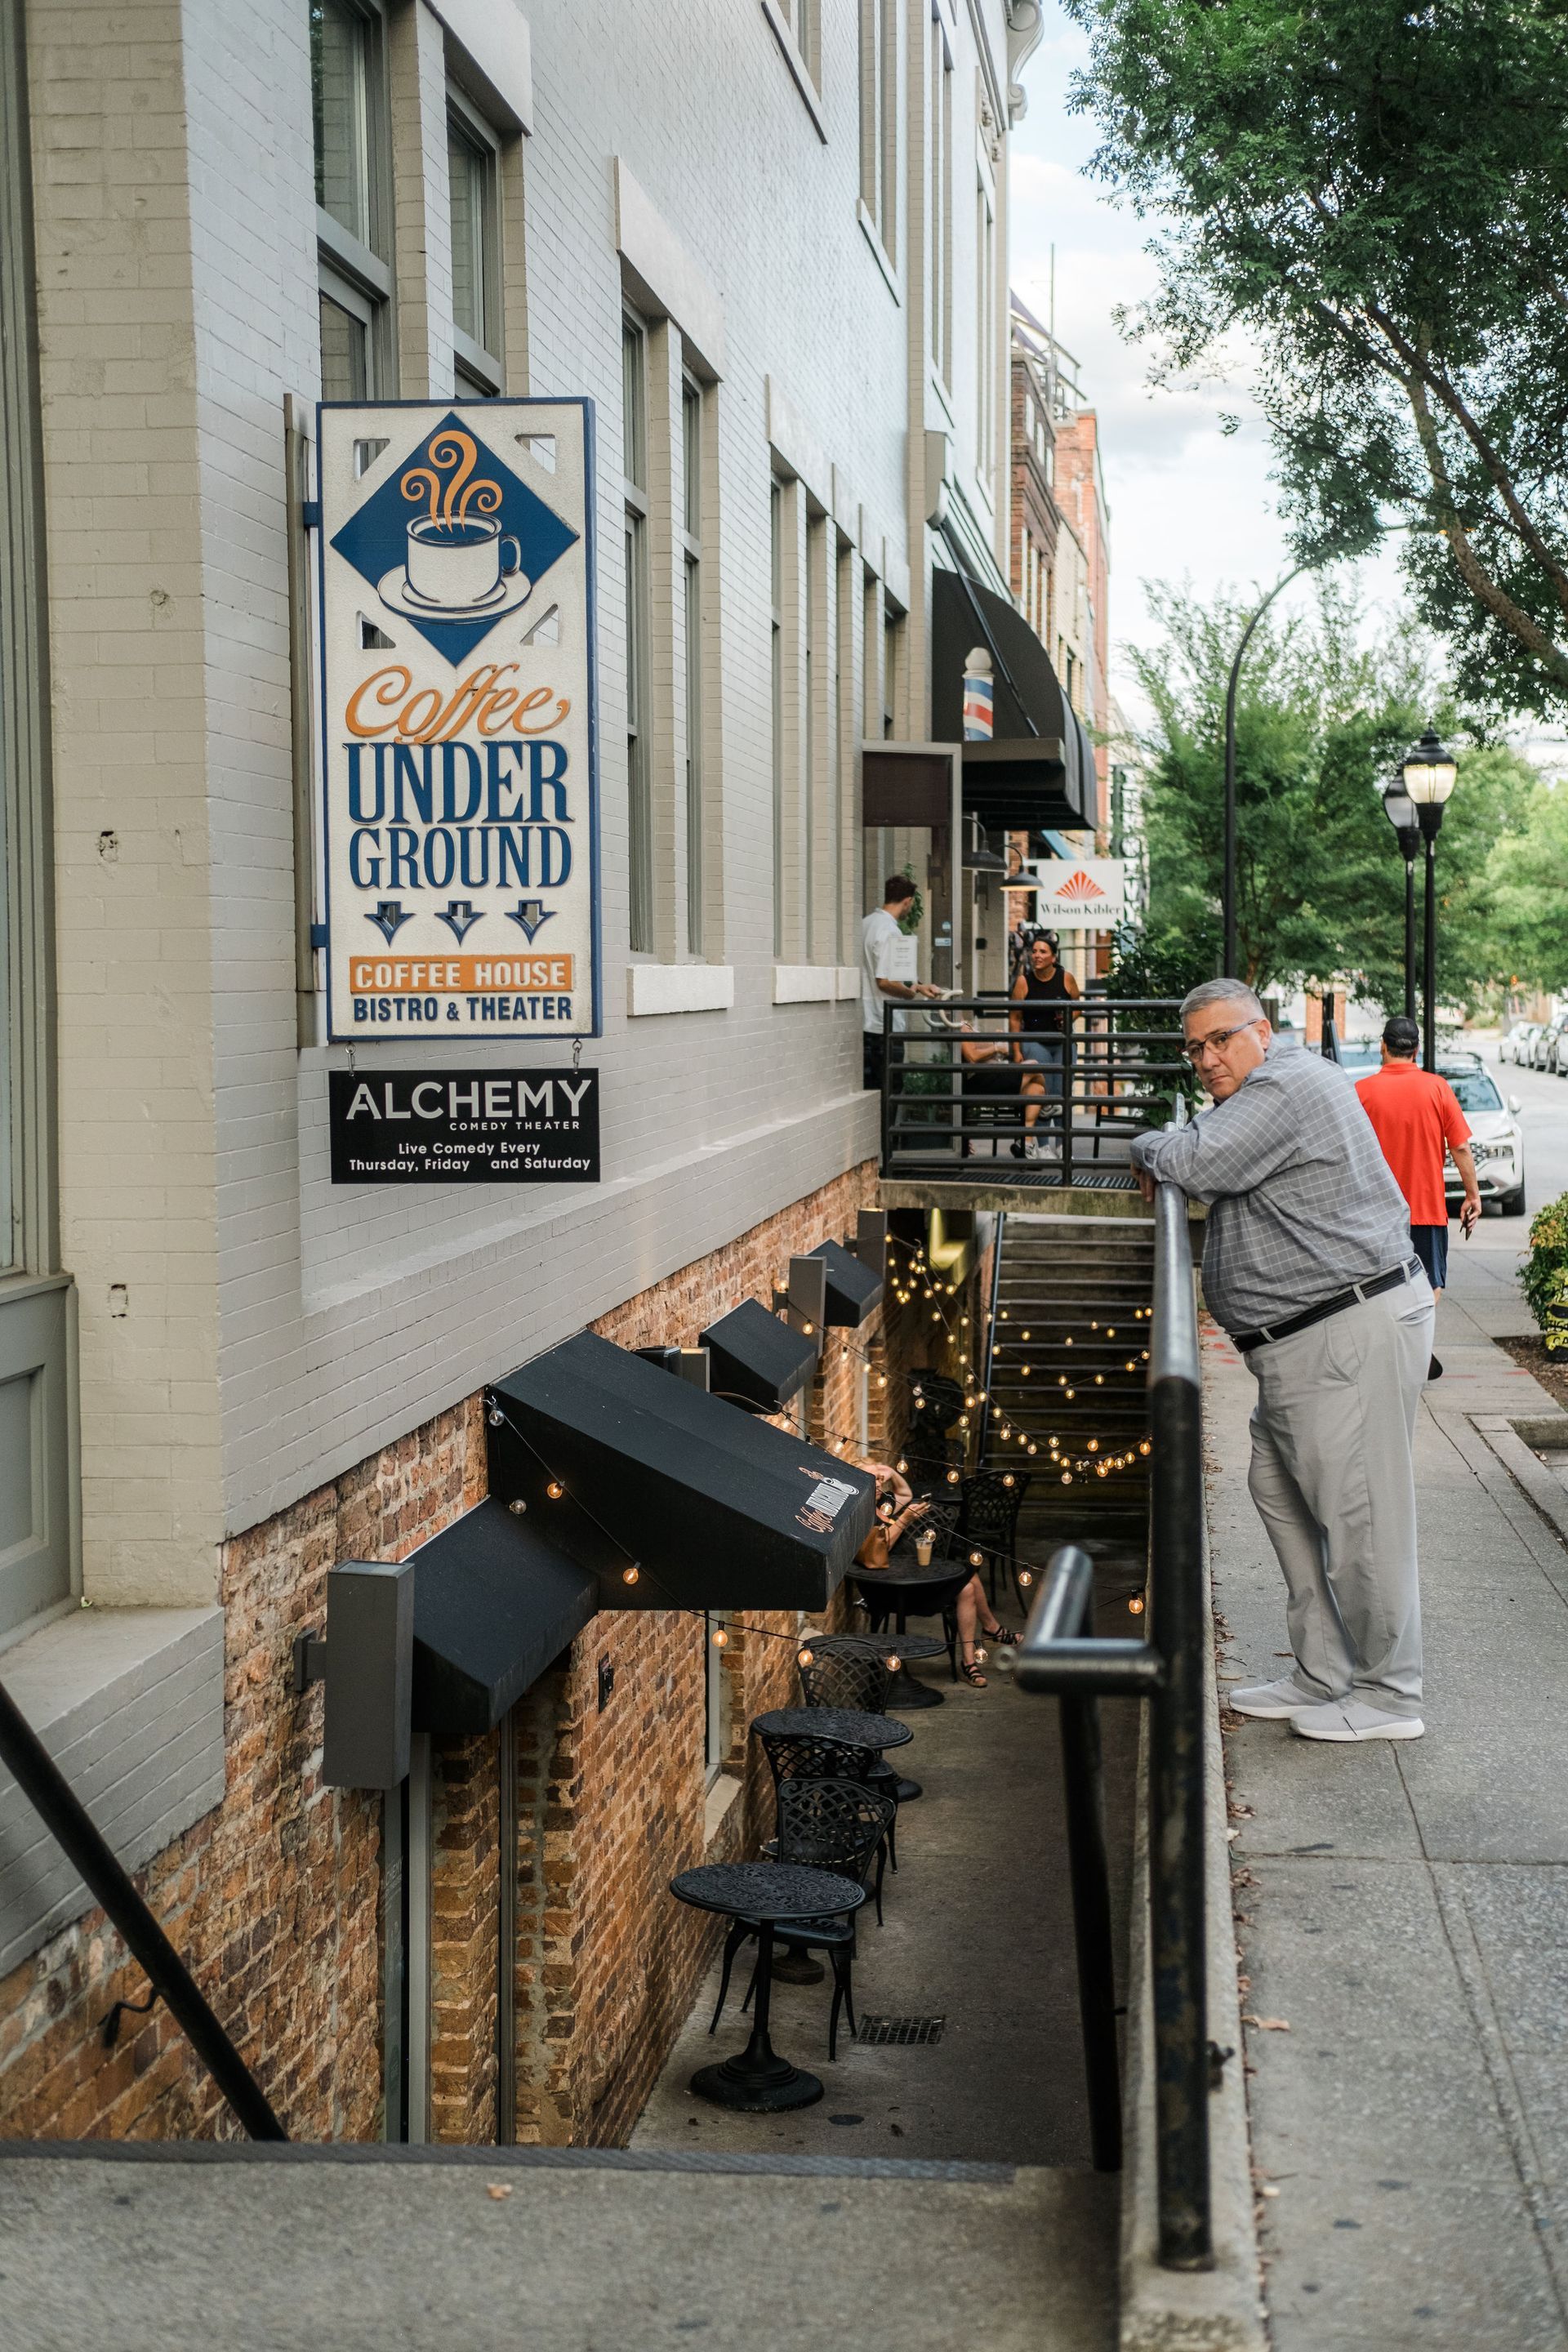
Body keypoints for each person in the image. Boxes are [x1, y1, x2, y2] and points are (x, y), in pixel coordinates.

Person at [1130, 979, 1433, 1744]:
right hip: (1310, 1339)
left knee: (1363, 1520)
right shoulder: (1266, 1090)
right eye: (1194, 1047)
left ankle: (1391, 1695)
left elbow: (1194, 1161)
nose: (1205, 1058)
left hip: (1342, 1329)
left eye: (1220, 1039)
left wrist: (1148, 1148)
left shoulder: (1285, 1085)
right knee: (1279, 1489)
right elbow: (1204, 1155)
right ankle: (1323, 1672)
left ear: (1262, 1031)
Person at [1354, 1014, 1481, 1383]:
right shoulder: (1437, 1088)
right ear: (1417, 1050)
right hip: (1425, 1209)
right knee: (1430, 1286)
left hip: (1374, 1213)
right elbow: (1459, 1146)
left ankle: (1392, 1347)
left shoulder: (1361, 1092)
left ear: (1383, 1046)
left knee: (1377, 1285)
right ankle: (1413, 1343)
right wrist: (1472, 1195)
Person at [854, 1459, 1015, 1688]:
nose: (879, 1483)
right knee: (967, 1572)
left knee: (967, 1587)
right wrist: (905, 1520)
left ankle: (969, 1663)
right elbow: (880, 1549)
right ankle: (992, 1628)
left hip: (908, 1578)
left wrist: (890, 1472)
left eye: (880, 1479)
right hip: (888, 1588)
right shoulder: (860, 1513)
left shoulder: (884, 1505)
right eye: (873, 1479)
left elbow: (905, 1491)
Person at [862, 875, 944, 1092]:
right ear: (907, 901)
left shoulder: (865, 924)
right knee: (890, 1093)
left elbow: (890, 971)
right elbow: (885, 981)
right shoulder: (890, 930)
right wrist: (910, 994)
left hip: (865, 1021)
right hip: (883, 1024)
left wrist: (918, 985)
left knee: (871, 1091)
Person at [1009, 929, 1080, 1125]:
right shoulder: (1024, 982)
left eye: (1043, 952)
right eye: (1034, 951)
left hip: (1063, 1041)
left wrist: (1068, 1020)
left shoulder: (1066, 978)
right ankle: (1042, 1146)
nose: (1037, 956)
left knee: (1063, 1094)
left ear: (1053, 957)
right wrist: (1016, 1051)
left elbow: (1078, 1006)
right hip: (1035, 1040)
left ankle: (1062, 1146)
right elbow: (1015, 1018)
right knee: (1042, 1092)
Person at [956, 1013, 1049, 1159]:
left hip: (992, 1076)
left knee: (1037, 1090)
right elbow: (972, 1058)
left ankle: (1025, 1145)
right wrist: (996, 1048)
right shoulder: (958, 1027)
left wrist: (993, 1040)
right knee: (1034, 1066)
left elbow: (980, 1051)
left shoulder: (965, 1026)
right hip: (981, 1082)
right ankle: (1047, 1106)